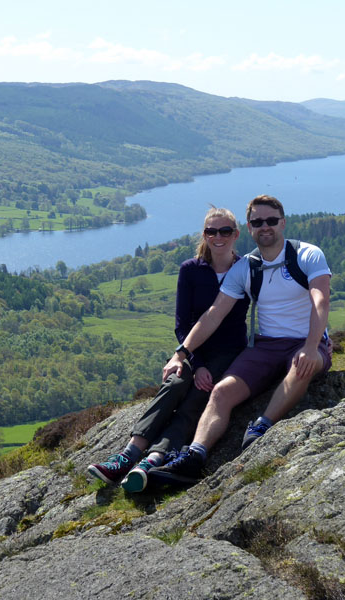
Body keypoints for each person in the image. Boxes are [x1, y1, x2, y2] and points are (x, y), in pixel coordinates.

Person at [150, 194, 331, 484]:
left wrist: (311, 346)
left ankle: (261, 426)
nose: (265, 227)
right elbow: (213, 315)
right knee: (221, 392)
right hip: (266, 345)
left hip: (307, 342)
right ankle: (194, 456)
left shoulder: (307, 255)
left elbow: (320, 300)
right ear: (248, 228)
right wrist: (181, 353)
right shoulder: (245, 267)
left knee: (300, 368)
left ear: (282, 223)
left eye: (271, 220)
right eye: (258, 222)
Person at [87, 207, 250, 492]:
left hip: (228, 353)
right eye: (211, 231)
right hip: (192, 349)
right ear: (204, 235)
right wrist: (193, 360)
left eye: (225, 231)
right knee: (175, 383)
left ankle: (154, 458)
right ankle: (128, 454)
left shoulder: (246, 269)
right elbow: (181, 323)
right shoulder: (191, 270)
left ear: (236, 234)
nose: (218, 237)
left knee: (199, 394)